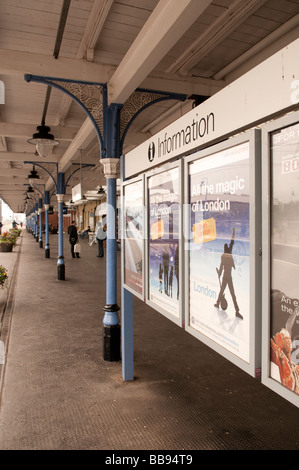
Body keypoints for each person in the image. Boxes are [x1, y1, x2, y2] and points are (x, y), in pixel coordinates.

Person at [214, 227, 242, 319]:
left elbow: (221, 267)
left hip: (225, 277)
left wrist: (219, 273)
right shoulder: (228, 254)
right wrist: (233, 233)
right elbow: (232, 242)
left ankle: (218, 303)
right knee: (232, 294)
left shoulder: (223, 256)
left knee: (222, 291)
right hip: (229, 277)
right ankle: (237, 311)